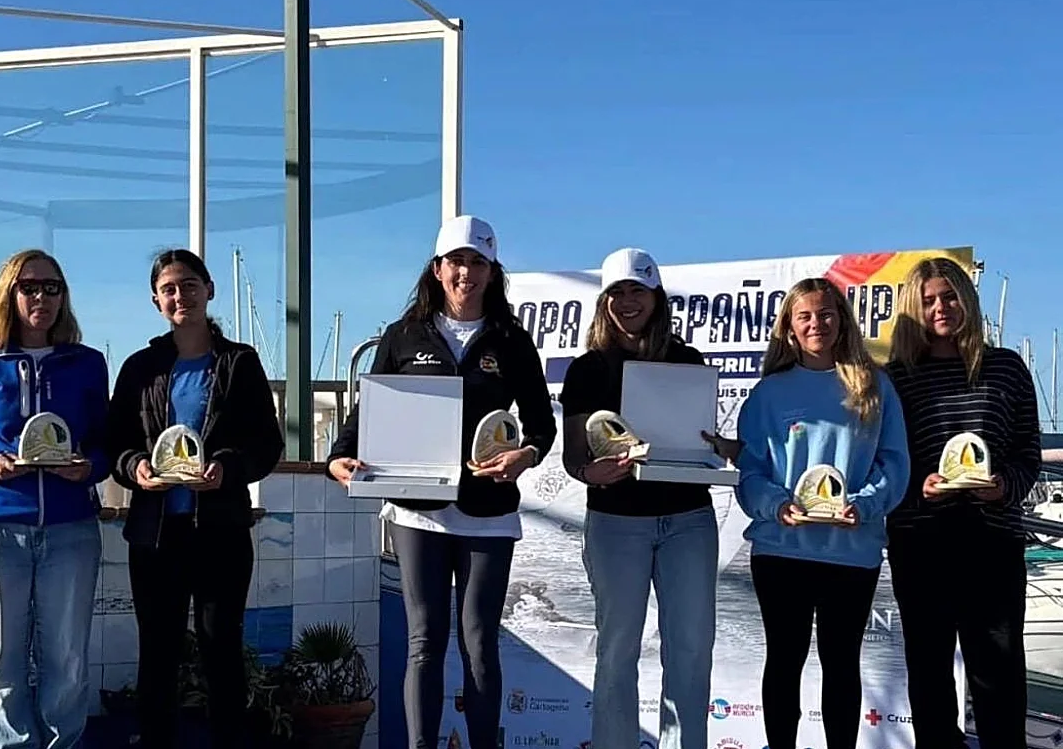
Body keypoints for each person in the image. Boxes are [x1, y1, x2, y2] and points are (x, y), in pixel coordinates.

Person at [326, 215, 556, 749]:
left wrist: (524, 454)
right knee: (424, 644)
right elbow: (368, 414)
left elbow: (541, 425)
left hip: (489, 513)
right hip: (417, 512)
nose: (466, 273)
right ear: (437, 269)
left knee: (479, 646)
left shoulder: (512, 341)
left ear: (492, 272)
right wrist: (340, 457)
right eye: (457, 261)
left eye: (478, 263)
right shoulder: (402, 337)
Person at [705, 277, 910, 749]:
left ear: (841, 321)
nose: (816, 323)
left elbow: (894, 463)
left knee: (841, 664)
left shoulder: (875, 387)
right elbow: (752, 471)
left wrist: (865, 504)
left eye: (825, 314)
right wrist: (776, 506)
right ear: (790, 329)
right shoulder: (769, 393)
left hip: (851, 552)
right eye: (805, 316)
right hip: (782, 551)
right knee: (784, 659)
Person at [0, 248, 109, 749]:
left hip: (71, 531)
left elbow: (106, 440)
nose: (42, 297)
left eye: (52, 288)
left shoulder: (88, 364)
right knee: (2, 664)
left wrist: (89, 467)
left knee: (68, 662)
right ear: (8, 293)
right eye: (29, 287)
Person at [107, 248, 284, 749]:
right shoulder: (140, 367)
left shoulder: (240, 363)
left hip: (221, 533)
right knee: (157, 654)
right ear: (155, 301)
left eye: (188, 284)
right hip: (155, 535)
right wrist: (135, 469)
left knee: (221, 651)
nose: (179, 295)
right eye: (168, 288)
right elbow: (116, 443)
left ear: (208, 290)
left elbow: (266, 446)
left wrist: (227, 469)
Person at [559, 247, 717, 749]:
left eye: (638, 291)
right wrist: (592, 472)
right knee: (617, 651)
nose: (628, 302)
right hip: (615, 522)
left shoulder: (688, 361)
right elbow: (572, 458)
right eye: (618, 292)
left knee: (690, 652)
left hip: (688, 520)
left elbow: (699, 442)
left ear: (656, 297)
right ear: (605, 302)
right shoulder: (587, 369)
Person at [885, 257, 1040, 749]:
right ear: (913, 307)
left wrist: (1004, 485)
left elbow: (1027, 452)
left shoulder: (1006, 367)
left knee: (998, 670)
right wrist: (918, 488)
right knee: (928, 671)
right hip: (920, 539)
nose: (940, 308)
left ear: (967, 301)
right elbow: (887, 462)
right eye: (928, 300)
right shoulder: (896, 379)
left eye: (949, 296)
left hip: (992, 537)